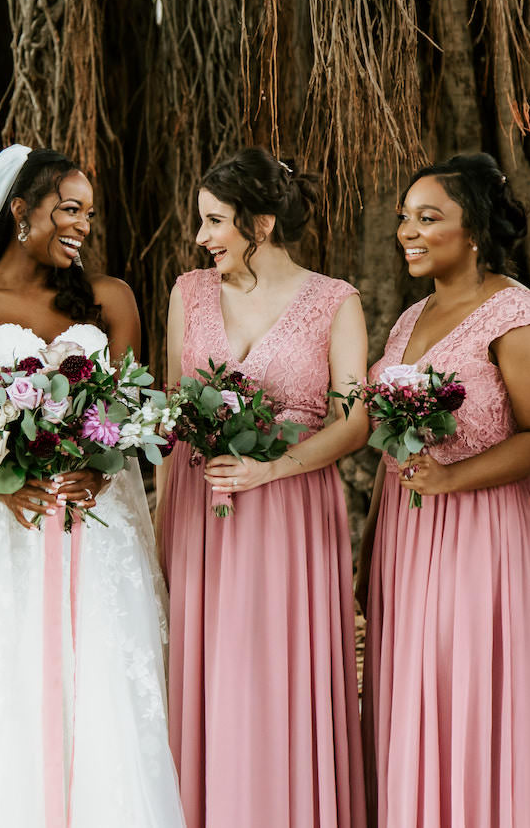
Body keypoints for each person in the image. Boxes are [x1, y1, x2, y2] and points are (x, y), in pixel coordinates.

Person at [0, 146, 186, 828]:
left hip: (90, 527)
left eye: (88, 212)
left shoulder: (111, 299)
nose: (81, 224)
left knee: (98, 688)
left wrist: (101, 466)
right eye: (67, 208)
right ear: (20, 209)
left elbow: (131, 409)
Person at [156, 147, 369, 828]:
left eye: (215, 222)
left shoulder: (337, 301)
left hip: (291, 514)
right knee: (206, 671)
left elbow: (354, 419)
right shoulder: (188, 293)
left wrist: (272, 468)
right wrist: (162, 528)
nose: (201, 237)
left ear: (263, 224)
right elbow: (169, 409)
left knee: (276, 677)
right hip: (199, 508)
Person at [357, 153, 530, 827]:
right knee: (415, 694)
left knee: (471, 690)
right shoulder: (407, 320)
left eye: (428, 217)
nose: (407, 231)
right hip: (407, 529)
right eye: (404, 218)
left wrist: (451, 477)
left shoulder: (516, 312)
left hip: (487, 533)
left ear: (472, 228)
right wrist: (371, 544)